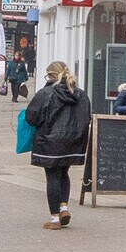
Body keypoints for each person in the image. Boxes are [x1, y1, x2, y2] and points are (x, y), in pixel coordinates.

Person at [25, 61, 92, 229]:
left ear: (52, 76)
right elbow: (86, 118)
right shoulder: (81, 95)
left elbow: (31, 117)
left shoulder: (45, 93)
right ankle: (64, 207)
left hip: (50, 141)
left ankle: (54, 218)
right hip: (74, 142)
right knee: (64, 173)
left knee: (53, 176)